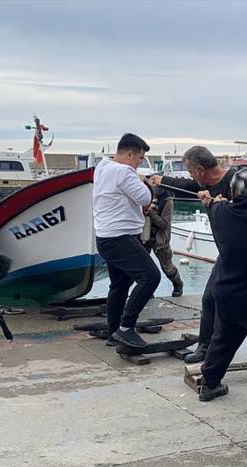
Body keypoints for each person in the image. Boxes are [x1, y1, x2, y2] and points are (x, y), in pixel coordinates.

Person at [152, 146, 247, 376]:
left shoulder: (235, 181)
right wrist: (161, 179)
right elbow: (186, 187)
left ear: (200, 169)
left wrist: (222, 204)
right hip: (227, 255)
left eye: (189, 170)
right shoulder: (204, 185)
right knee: (210, 298)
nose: (189, 176)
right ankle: (204, 347)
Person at [197, 169, 247, 401]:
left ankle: (209, 383)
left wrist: (211, 201)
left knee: (222, 339)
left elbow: (214, 206)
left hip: (228, 291)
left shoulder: (221, 212)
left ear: (232, 192)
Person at [93, 133, 161, 349]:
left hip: (106, 236)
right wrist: (144, 182)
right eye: (140, 158)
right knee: (150, 277)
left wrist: (136, 176)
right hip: (121, 237)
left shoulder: (102, 166)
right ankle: (126, 327)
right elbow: (144, 198)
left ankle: (114, 331)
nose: (140, 163)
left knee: (120, 285)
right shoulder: (124, 172)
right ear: (130, 154)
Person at [143, 185, 184, 297]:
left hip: (160, 239)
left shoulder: (167, 200)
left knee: (168, 268)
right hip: (143, 238)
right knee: (141, 267)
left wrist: (151, 213)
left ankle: (178, 285)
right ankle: (147, 291)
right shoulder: (142, 194)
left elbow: (164, 224)